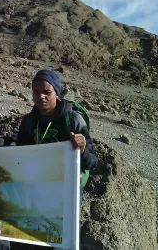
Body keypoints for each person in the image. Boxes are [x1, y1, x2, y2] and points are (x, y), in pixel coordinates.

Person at [16, 69, 99, 204]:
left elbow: (93, 163)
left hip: (67, 183)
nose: (41, 96)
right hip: (37, 180)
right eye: (36, 92)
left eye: (47, 92)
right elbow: (19, 154)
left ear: (57, 93)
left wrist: (82, 150)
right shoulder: (28, 122)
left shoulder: (73, 120)